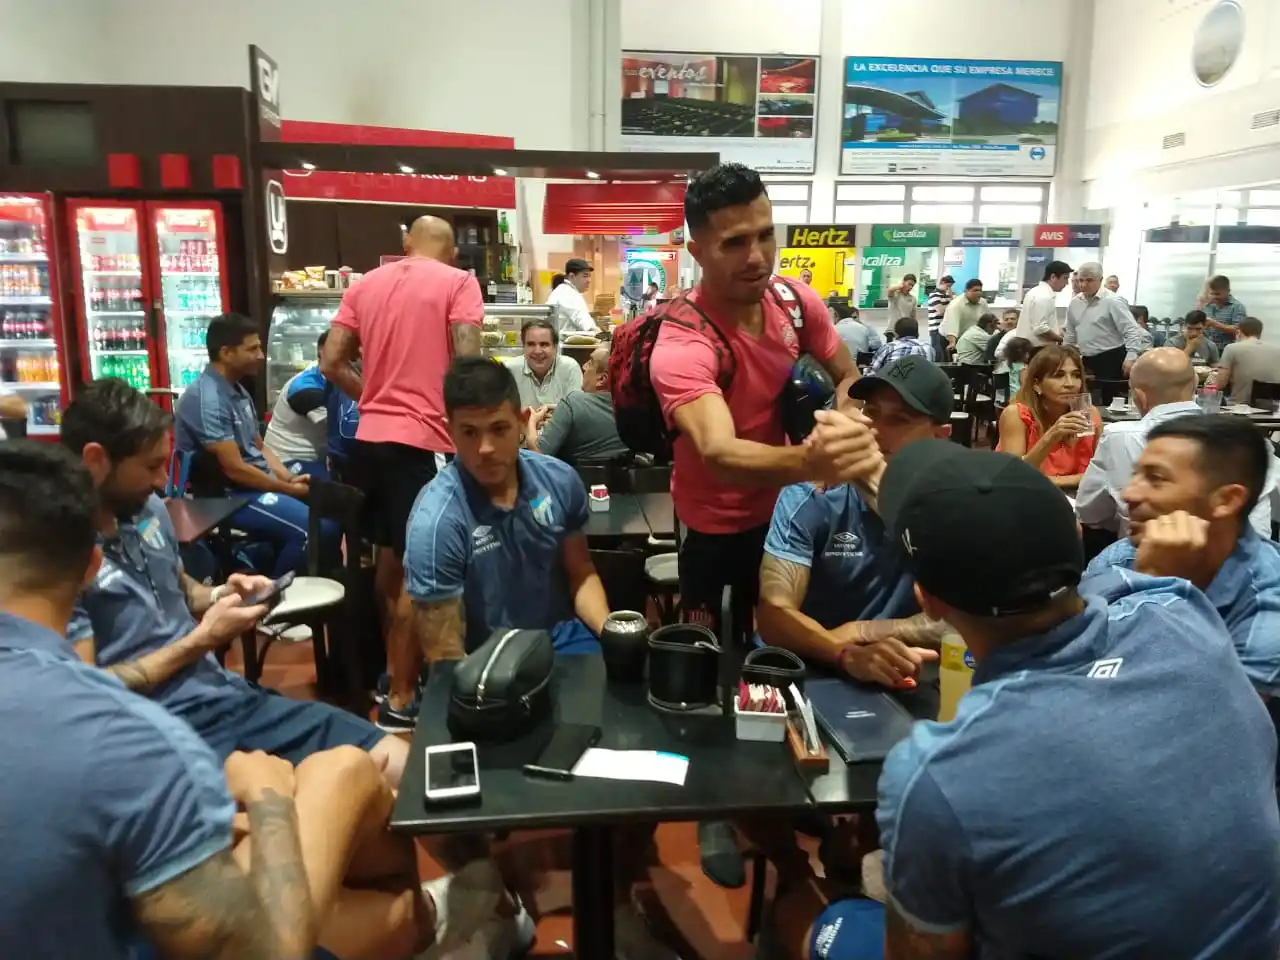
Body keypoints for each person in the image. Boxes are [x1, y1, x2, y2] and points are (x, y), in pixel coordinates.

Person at [0, 442, 445, 960]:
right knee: (350, 782)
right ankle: (442, 916)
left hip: (217, 712)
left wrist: (214, 598)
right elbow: (264, 952)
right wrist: (268, 800)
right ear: (90, 567)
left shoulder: (115, 732)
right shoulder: (131, 742)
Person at [853, 440, 1278, 960]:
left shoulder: (934, 771)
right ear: (1078, 537)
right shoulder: (1183, 612)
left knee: (830, 919)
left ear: (929, 601)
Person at [646, 161, 870, 890]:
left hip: (789, 520)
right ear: (697, 248)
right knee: (715, 663)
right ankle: (716, 803)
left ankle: (783, 784)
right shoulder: (682, 339)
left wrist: (846, 410)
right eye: (735, 242)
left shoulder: (793, 300)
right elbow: (716, 450)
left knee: (788, 655)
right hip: (714, 522)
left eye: (767, 235)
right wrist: (813, 460)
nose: (757, 255)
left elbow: (847, 372)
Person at [404, 356, 673, 958]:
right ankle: (494, 902)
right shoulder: (436, 519)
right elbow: (446, 659)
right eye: (468, 433)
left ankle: (618, 895)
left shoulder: (558, 480)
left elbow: (579, 573)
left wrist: (613, 635)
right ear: (449, 431)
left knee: (647, 741)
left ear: (523, 420)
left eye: (499, 429)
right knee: (444, 786)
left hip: (562, 642)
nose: (484, 448)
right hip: (484, 665)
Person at [320, 214, 484, 731]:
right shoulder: (459, 283)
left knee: (390, 566)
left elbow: (330, 363)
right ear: (453, 252)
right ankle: (402, 692)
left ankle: (393, 674)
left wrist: (371, 399)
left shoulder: (366, 283)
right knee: (425, 569)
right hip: (424, 444)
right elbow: (468, 370)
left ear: (405, 244)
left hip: (368, 444)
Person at [757, 357, 952, 688]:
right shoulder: (813, 491)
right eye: (871, 412)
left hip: (904, 672)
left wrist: (863, 632)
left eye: (899, 420)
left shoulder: (954, 498)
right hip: (812, 666)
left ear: (940, 436)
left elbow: (966, 622)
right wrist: (844, 651)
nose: (875, 429)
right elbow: (774, 617)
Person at [1086, 415, 1280, 742]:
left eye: (1156, 478)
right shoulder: (1121, 556)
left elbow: (1186, 735)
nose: (1130, 493)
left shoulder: (1266, 608)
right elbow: (1060, 659)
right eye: (1136, 475)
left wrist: (1156, 590)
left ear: (1226, 500)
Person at [175, 313, 333, 578]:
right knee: (314, 531)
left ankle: (271, 575)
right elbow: (235, 469)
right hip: (227, 496)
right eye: (253, 349)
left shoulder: (237, 391)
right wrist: (288, 489)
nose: (261, 355)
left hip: (251, 486)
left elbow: (259, 447)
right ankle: (272, 606)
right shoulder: (208, 398)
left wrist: (289, 477)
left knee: (330, 517)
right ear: (226, 353)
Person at [1075, 347, 1273, 537]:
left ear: (1139, 396)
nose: (1132, 496)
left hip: (1144, 560)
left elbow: (1090, 513)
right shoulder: (1255, 443)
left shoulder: (1121, 437)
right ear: (1195, 387)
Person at [996, 344, 1100, 488]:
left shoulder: (1089, 414)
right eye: (1058, 376)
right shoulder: (1016, 415)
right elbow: (1012, 476)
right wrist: (1051, 437)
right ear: (1036, 384)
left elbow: (1102, 473)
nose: (1070, 384)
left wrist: (1046, 481)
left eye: (1076, 375)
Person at [526, 344, 630, 464]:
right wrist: (563, 413)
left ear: (602, 379)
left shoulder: (572, 402)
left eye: (591, 362)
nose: (584, 366)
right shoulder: (634, 407)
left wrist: (532, 421)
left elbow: (538, 454)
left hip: (576, 480)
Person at [263, 330, 336, 479]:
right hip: (289, 460)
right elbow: (341, 429)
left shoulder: (333, 376)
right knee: (335, 490)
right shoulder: (305, 388)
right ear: (323, 352)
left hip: (319, 456)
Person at [1064, 262, 1148, 379]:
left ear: (1100, 280)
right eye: (1080, 280)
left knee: (1109, 396)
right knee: (1084, 394)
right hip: (1085, 359)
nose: (1083, 284)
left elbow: (1131, 330)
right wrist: (1065, 357)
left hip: (1111, 357)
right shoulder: (1075, 303)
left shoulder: (1113, 301)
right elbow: (1070, 334)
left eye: (1089, 280)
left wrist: (1131, 356)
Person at [504, 317, 584, 414]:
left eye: (544, 344)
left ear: (555, 347)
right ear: (523, 346)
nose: (537, 351)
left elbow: (577, 411)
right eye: (531, 344)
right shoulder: (509, 370)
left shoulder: (570, 368)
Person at [1216, 315, 1280, 405]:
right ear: (1259, 333)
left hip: (1239, 407)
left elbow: (1220, 383)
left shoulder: (1232, 348)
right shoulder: (1277, 350)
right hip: (1272, 408)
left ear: (1238, 332)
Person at [1014, 259, 1071, 347]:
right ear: (1053, 277)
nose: (1067, 283)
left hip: (1029, 347)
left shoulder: (1036, 291)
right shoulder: (1044, 296)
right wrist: (1062, 340)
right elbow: (1040, 329)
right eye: (1065, 278)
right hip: (1037, 348)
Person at [546, 256, 597, 336]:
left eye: (589, 276)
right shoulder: (567, 293)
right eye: (585, 276)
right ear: (572, 276)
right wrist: (600, 334)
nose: (589, 281)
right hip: (565, 346)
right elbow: (585, 322)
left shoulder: (564, 290)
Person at [1201, 274, 1248, 351]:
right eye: (1212, 294)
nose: (1214, 297)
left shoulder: (1237, 307)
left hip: (1227, 350)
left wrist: (1214, 324)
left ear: (1228, 291)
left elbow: (1239, 331)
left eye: (1218, 294)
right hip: (1207, 349)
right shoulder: (1206, 306)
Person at [869, 316, 934, 372]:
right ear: (917, 332)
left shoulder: (888, 347)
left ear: (896, 333)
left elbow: (873, 372)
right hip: (921, 385)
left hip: (892, 384)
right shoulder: (928, 348)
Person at [938, 278, 987, 352]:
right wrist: (952, 343)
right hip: (950, 339)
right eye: (975, 290)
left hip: (969, 339)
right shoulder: (956, 305)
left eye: (980, 290)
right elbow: (951, 325)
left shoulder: (982, 302)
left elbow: (989, 318)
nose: (979, 293)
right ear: (966, 291)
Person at [925, 274, 954, 358]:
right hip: (936, 330)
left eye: (950, 287)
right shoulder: (934, 295)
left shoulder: (947, 296)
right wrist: (951, 305)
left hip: (946, 330)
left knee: (946, 356)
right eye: (948, 286)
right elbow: (940, 311)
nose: (949, 288)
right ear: (942, 282)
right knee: (939, 355)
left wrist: (951, 297)